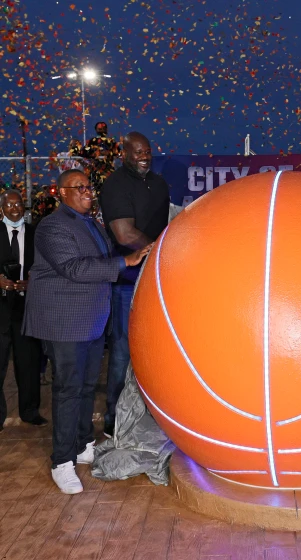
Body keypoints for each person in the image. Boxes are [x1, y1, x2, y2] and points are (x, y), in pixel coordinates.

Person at [22, 169, 151, 494]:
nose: (87, 192)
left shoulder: (91, 223)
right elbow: (74, 268)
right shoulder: (53, 226)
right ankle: (62, 462)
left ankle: (82, 445)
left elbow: (104, 265)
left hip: (92, 319)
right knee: (67, 390)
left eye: (88, 187)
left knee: (86, 386)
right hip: (64, 321)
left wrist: (139, 269)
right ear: (61, 193)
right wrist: (127, 262)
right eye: (78, 188)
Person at [100, 131, 170, 438]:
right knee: (122, 351)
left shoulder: (159, 183)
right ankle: (113, 419)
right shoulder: (115, 185)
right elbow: (125, 234)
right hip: (127, 281)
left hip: (156, 279)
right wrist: (160, 249)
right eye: (138, 151)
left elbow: (166, 226)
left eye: (148, 151)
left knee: (157, 350)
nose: (144, 156)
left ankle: (155, 414)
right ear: (124, 153)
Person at [0, 190, 46, 430]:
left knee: (28, 363)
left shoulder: (36, 234)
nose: (15, 209)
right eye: (9, 205)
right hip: (1, 310)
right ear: (2, 209)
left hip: (27, 308)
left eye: (18, 204)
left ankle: (30, 412)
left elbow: (46, 267)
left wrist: (32, 282)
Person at [82, 122, 121, 188]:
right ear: (96, 130)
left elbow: (118, 153)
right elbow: (83, 152)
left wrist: (109, 153)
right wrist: (95, 152)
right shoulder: (92, 141)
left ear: (106, 130)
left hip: (108, 171)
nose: (102, 130)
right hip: (95, 171)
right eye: (99, 129)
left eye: (103, 128)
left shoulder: (111, 141)